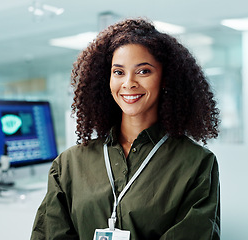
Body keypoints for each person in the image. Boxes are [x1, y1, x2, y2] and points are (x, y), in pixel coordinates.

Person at [31, 18, 220, 240]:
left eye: (143, 71)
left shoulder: (196, 163)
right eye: (119, 72)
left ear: (166, 79)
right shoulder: (68, 164)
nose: (128, 83)